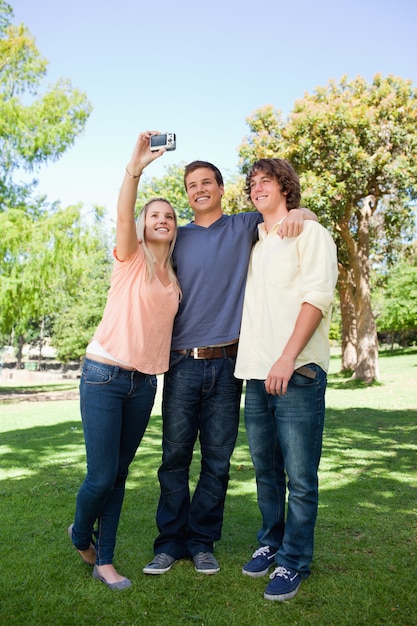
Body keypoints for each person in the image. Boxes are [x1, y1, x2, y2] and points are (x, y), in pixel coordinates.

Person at [143, 159, 317, 576]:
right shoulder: (175, 237)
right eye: (191, 185)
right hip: (182, 364)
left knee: (218, 461)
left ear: (221, 189)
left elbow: (291, 211)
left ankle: (202, 542)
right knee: (174, 459)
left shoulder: (243, 227)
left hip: (228, 366)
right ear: (186, 194)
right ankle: (169, 543)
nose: (199, 190)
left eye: (207, 183)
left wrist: (300, 213)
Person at [68, 131, 181, 590]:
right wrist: (135, 169)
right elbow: (121, 213)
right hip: (103, 375)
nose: (161, 219)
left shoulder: (174, 271)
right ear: (141, 224)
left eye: (169, 216)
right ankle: (80, 535)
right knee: (99, 476)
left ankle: (106, 560)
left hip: (144, 384)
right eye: (153, 214)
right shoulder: (129, 258)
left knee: (118, 476)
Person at [234, 158, 338, 601]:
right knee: (265, 471)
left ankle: (293, 561)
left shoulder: (310, 233)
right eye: (252, 183)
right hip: (256, 375)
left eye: (266, 181)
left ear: (286, 188)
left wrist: (287, 358)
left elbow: (316, 298)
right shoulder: (257, 242)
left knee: (300, 474)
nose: (258, 188)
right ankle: (271, 542)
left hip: (296, 372)